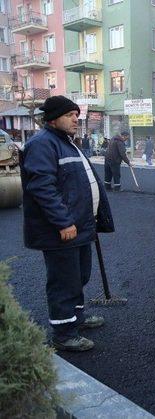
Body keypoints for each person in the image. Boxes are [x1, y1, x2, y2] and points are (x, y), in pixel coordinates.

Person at [19, 95, 114, 352]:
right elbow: (42, 187)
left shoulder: (67, 143)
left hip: (81, 227)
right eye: (70, 115)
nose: (76, 119)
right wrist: (63, 222)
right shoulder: (42, 144)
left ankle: (76, 320)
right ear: (53, 118)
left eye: (76, 115)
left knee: (79, 276)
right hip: (61, 231)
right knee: (64, 281)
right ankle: (63, 333)